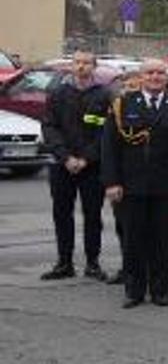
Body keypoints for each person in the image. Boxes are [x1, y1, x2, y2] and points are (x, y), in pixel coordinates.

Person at [102, 59, 168, 308]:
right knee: (133, 239)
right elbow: (110, 148)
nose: (155, 77)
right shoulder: (122, 105)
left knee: (162, 239)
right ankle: (134, 291)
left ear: (167, 77)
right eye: (150, 73)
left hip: (166, 185)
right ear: (141, 77)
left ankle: (159, 290)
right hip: (131, 185)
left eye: (160, 73)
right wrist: (112, 182)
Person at [41, 51, 112, 282]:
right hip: (62, 165)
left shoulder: (104, 95)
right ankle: (64, 263)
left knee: (92, 216)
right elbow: (50, 127)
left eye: (87, 63)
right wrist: (66, 157)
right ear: (71, 66)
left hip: (91, 167)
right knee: (62, 214)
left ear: (94, 66)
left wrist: (85, 159)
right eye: (78, 63)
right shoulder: (57, 93)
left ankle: (93, 263)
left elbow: (105, 132)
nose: (82, 67)